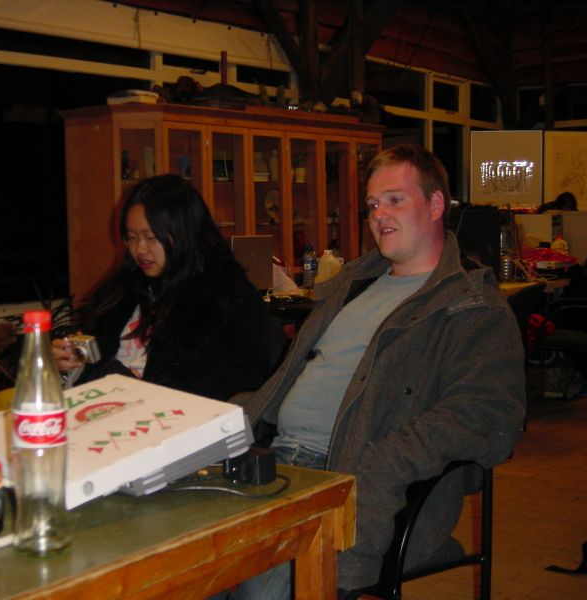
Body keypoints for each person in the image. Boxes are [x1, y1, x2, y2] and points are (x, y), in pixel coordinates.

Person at [225, 144, 526, 598]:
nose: (378, 214)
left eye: (394, 200)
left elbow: (489, 415)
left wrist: (384, 462)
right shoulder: (352, 285)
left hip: (350, 476)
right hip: (275, 459)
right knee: (179, 561)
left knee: (257, 589)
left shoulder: (471, 306)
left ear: (436, 204)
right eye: (371, 205)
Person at [52, 173, 281, 401]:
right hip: (106, 407)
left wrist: (147, 393)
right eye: (132, 238)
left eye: (151, 238)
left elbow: (244, 381)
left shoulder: (226, 296)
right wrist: (69, 363)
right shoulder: (120, 290)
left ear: (185, 233)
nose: (140, 249)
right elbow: (91, 360)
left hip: (177, 415)